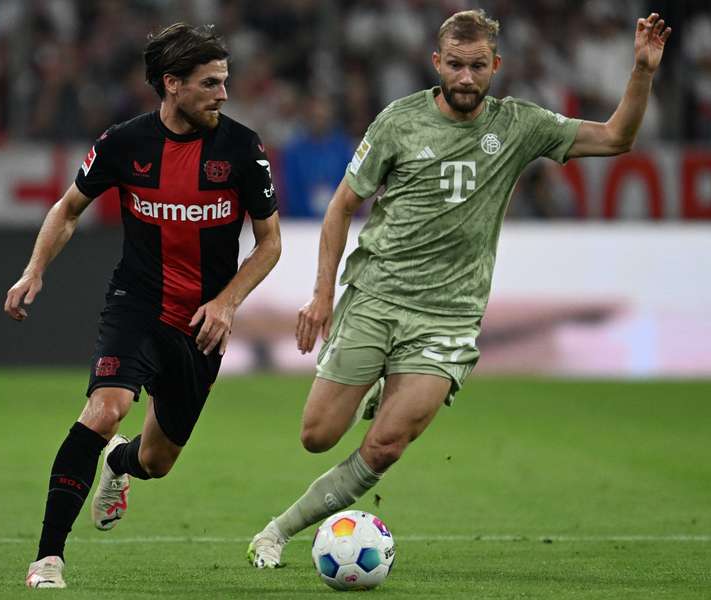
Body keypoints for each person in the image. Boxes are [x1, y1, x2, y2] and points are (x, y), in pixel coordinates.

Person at [247, 9, 669, 568]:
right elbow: (342, 206)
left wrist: (641, 70)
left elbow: (616, 137)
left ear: (495, 66)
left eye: (476, 66)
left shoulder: (518, 124)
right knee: (317, 435)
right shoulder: (399, 121)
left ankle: (275, 532)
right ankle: (377, 386)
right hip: (376, 295)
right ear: (436, 64)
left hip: (447, 319)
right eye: (455, 65)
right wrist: (322, 294)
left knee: (386, 444)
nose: (466, 77)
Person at [5, 23, 281, 588]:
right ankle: (48, 559)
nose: (223, 94)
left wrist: (227, 303)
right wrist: (35, 269)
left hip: (203, 323)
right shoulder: (123, 144)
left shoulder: (241, 148)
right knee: (105, 410)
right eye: (210, 83)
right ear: (171, 84)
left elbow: (270, 243)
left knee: (155, 462)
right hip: (136, 305)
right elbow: (68, 208)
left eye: (225, 81)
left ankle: (119, 463)